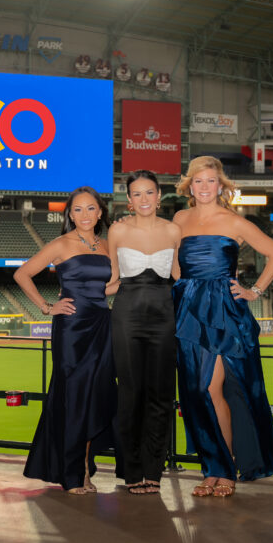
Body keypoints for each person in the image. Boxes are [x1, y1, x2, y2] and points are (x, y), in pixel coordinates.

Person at [172, 156, 273, 497]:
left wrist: (255, 291)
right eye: (198, 181)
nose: (204, 186)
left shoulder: (235, 221)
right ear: (189, 186)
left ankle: (225, 470)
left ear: (220, 185)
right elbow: (173, 262)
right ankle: (212, 469)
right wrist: (182, 286)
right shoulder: (179, 218)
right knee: (194, 393)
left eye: (211, 180)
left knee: (211, 389)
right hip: (188, 311)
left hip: (223, 313)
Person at [14, 186, 117, 494]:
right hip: (71, 328)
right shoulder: (61, 244)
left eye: (91, 208)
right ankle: (71, 474)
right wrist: (47, 307)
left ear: (100, 212)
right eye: (78, 209)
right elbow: (22, 274)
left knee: (94, 398)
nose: (85, 214)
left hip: (101, 325)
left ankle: (84, 468)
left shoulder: (108, 245)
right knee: (73, 397)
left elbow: (108, 287)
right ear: (70, 214)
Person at [107, 170, 181, 495]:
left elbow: (179, 276)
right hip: (126, 316)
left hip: (165, 317)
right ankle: (132, 470)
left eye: (149, 192)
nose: (144, 199)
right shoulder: (118, 229)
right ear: (129, 199)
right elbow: (112, 278)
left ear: (159, 195)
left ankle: (154, 469)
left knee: (161, 394)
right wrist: (80, 293)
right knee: (130, 393)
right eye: (136, 194)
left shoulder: (173, 230)